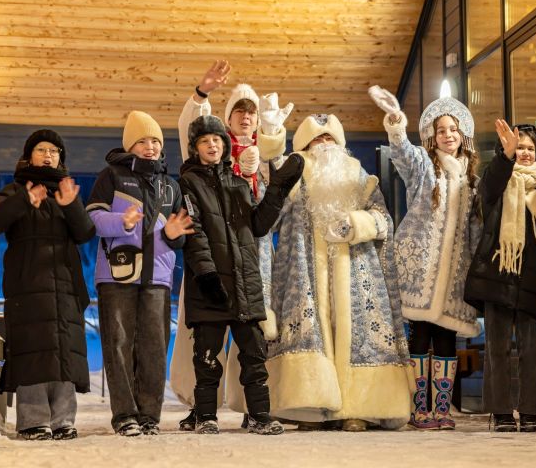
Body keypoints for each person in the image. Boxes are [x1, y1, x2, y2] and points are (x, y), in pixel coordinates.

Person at [265, 113, 412, 432]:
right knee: (313, 332)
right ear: (303, 146)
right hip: (304, 272)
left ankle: (358, 409)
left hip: (357, 272)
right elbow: (269, 214)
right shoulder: (293, 176)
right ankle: (311, 408)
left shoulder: (360, 178)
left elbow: (383, 220)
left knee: (355, 335)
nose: (324, 144)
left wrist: (355, 225)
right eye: (317, 139)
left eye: (330, 138)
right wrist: (271, 133)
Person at [171, 60, 293, 429]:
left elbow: (258, 224)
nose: (213, 144)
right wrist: (202, 90)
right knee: (206, 353)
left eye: (250, 113)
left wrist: (275, 188)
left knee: (254, 354)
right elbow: (193, 231)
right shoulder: (189, 180)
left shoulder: (247, 172)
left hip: (246, 274)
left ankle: (257, 413)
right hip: (208, 278)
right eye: (238, 112)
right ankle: (204, 410)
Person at [369, 86, 481, 430]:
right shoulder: (423, 166)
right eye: (440, 130)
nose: (447, 135)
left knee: (446, 337)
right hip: (421, 266)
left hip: (455, 274)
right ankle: (420, 409)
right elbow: (401, 152)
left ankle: (442, 410)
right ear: (432, 136)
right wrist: (396, 122)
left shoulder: (473, 178)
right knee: (420, 334)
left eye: (453, 129)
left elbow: (476, 228)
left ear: (463, 134)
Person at [0, 129, 95, 440]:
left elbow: (86, 233)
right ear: (29, 155)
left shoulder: (66, 192)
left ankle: (63, 420)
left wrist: (72, 205)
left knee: (63, 350)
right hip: (28, 282)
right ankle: (33, 421)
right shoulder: (16, 187)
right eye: (42, 149)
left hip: (66, 283)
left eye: (54, 151)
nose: (48, 155)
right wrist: (24, 200)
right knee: (33, 351)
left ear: (60, 158)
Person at [86, 111, 193, 436]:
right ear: (130, 144)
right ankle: (125, 417)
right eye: (143, 141)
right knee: (118, 345)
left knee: (154, 347)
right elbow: (93, 218)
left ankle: (149, 416)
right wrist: (123, 222)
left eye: (156, 141)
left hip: (157, 279)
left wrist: (176, 235)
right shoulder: (112, 177)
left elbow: (180, 233)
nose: (150, 147)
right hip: (117, 276)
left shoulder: (170, 186)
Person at [464, 122, 536, 432]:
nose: (525, 153)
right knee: (497, 348)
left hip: (532, 281)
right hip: (497, 276)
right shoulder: (497, 186)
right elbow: (489, 185)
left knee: (531, 350)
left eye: (530, 148)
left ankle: (530, 411)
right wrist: (504, 156)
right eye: (520, 147)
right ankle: (501, 411)